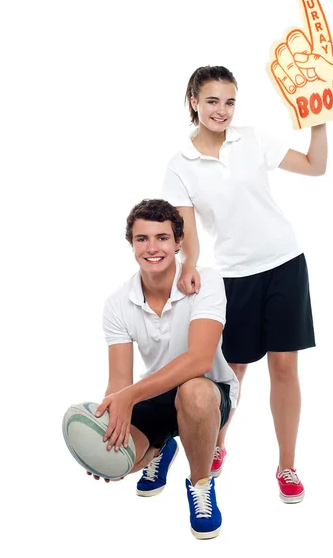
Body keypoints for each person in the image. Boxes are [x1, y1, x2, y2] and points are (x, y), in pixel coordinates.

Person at [161, 65, 328, 503]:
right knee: (232, 372)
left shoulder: (252, 139)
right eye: (212, 101)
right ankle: (216, 444)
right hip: (235, 276)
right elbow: (189, 235)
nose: (222, 110)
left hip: (285, 263)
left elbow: (316, 166)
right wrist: (188, 264)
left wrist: (319, 120)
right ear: (194, 101)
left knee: (285, 368)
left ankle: (287, 466)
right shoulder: (180, 166)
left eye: (230, 101)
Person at [89, 198, 239, 540]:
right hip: (155, 392)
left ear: (178, 243)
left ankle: (200, 484)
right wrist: (100, 443)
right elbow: (120, 382)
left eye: (162, 238)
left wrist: (130, 396)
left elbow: (201, 360)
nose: (152, 247)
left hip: (210, 390)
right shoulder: (117, 303)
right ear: (131, 244)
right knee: (120, 461)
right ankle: (162, 447)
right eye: (142, 239)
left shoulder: (206, 282)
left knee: (194, 391)